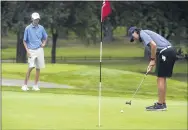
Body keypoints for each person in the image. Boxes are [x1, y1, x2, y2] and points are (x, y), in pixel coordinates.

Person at [128, 26, 177, 111]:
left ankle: (160, 105)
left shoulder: (142, 33)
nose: (134, 39)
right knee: (162, 78)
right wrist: (152, 63)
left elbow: (154, 45)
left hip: (166, 52)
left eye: (133, 37)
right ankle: (162, 103)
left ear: (135, 32)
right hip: (167, 52)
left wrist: (153, 60)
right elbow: (155, 50)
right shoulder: (145, 35)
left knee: (160, 78)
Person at [21, 12, 48, 91]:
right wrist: (27, 51)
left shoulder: (41, 28)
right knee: (31, 67)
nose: (36, 21)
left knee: (38, 68)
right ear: (32, 19)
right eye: (35, 19)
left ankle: (35, 85)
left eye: (38, 19)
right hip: (31, 50)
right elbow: (24, 41)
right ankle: (25, 85)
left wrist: (44, 43)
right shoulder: (28, 28)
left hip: (39, 49)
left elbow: (45, 37)